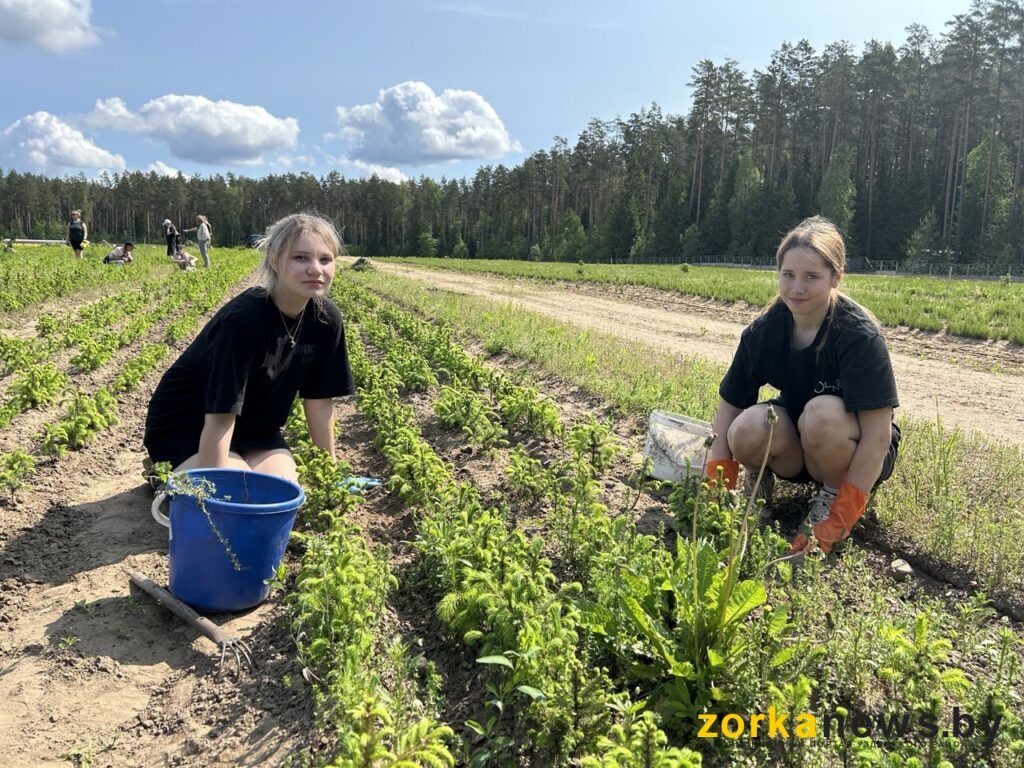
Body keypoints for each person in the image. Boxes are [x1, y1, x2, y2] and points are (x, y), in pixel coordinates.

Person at [703, 216, 900, 555]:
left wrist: (841, 518)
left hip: (851, 448)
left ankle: (832, 498)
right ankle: (758, 487)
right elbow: (729, 407)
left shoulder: (858, 336)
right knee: (746, 426)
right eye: (788, 275)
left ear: (836, 277)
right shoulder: (763, 332)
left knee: (822, 413)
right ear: (778, 274)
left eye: (812, 277)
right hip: (798, 445)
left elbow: (878, 436)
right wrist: (716, 490)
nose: (797, 288)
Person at [143, 212, 354, 486]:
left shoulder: (326, 319)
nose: (316, 269)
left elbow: (319, 403)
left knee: (284, 491)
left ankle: (206, 472)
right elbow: (220, 416)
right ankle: (165, 471)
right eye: (300, 258)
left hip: (257, 430)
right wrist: (214, 494)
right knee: (240, 493)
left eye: (325, 259)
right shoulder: (243, 321)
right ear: (275, 260)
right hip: (189, 427)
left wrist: (330, 475)